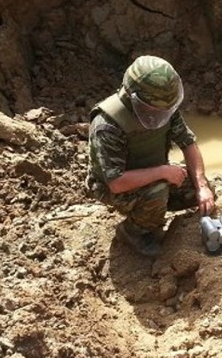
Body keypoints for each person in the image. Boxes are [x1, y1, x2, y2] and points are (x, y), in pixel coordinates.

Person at [86, 55, 215, 256]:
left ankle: (153, 209)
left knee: (200, 190)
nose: (162, 114)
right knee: (157, 193)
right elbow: (115, 182)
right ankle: (133, 232)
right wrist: (163, 172)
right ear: (134, 98)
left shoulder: (164, 108)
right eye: (155, 109)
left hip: (152, 172)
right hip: (113, 186)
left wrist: (202, 186)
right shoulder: (107, 125)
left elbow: (188, 143)